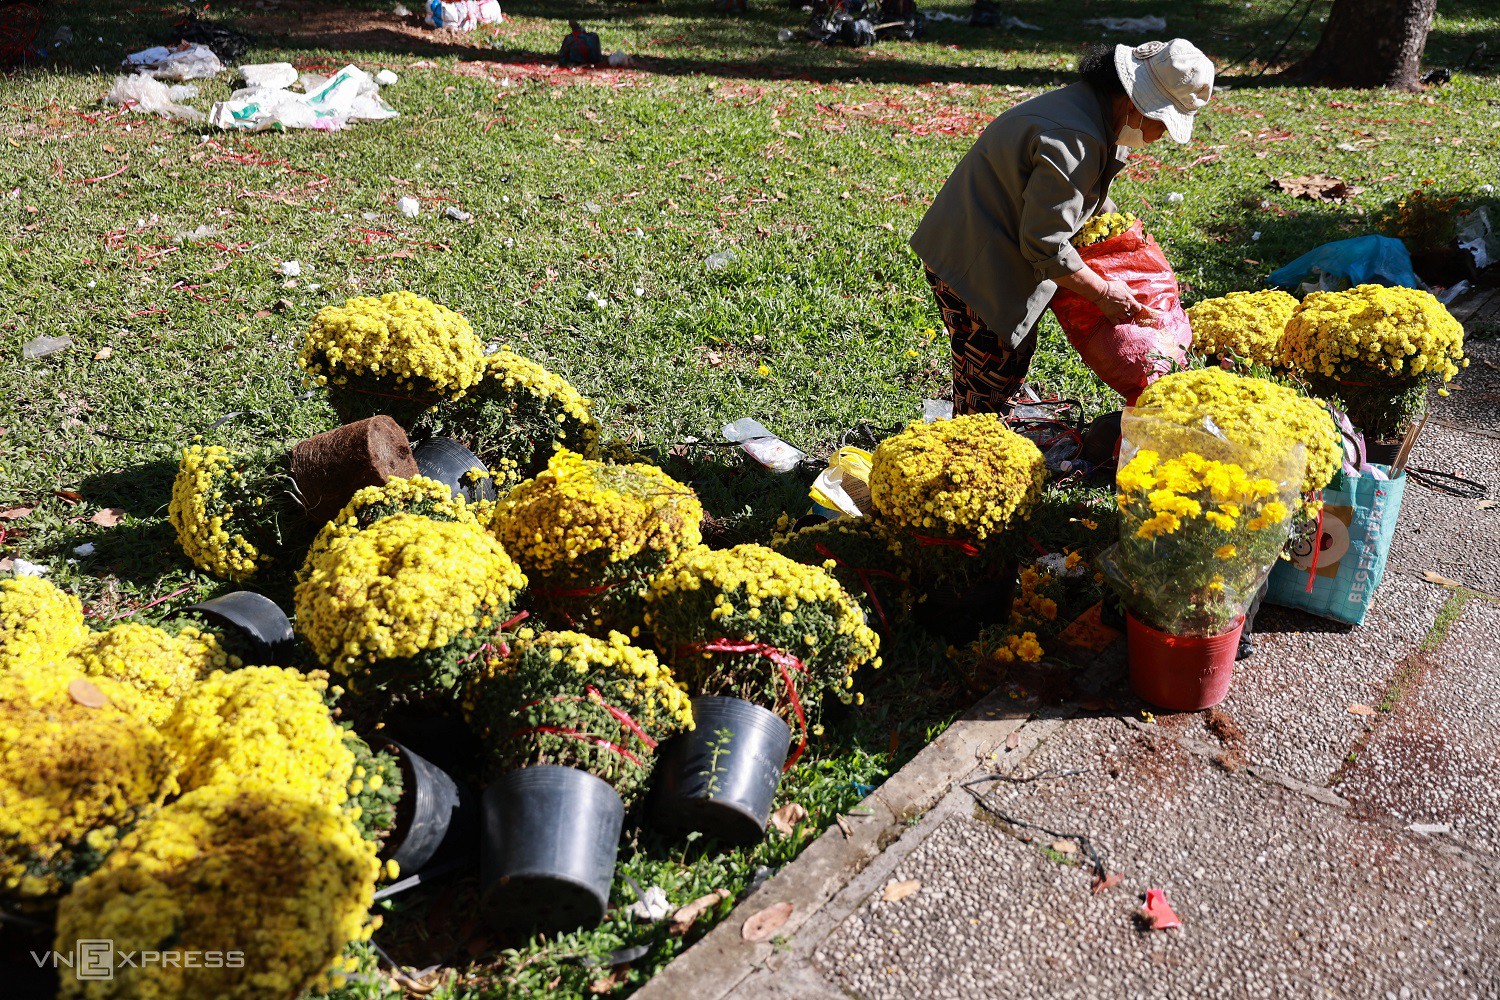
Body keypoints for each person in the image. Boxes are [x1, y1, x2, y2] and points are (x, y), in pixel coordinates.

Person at [910, 39, 1215, 415]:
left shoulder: (1098, 113)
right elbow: (1044, 242)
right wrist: (1104, 292)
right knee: (988, 377)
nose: (1159, 136)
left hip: (987, 241)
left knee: (1008, 360)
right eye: (1163, 124)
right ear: (1136, 103)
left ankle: (983, 424)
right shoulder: (1076, 139)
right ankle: (967, 442)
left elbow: (1084, 198)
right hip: (974, 259)